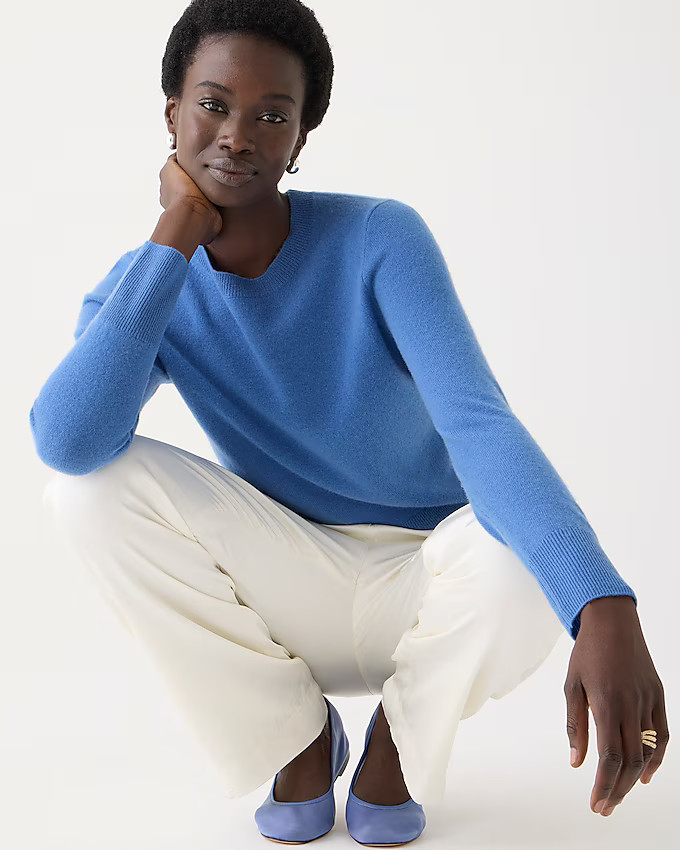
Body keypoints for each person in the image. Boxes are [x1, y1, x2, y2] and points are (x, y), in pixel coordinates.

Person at [29, 0, 668, 845]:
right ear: (172, 114)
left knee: (519, 555)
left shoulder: (377, 238)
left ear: (301, 137)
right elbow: (68, 441)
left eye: (272, 115)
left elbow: (478, 423)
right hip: (286, 583)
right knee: (85, 492)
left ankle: (395, 750)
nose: (237, 136)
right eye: (213, 105)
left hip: (429, 582)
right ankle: (296, 739)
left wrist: (602, 601)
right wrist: (174, 236)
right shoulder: (148, 282)